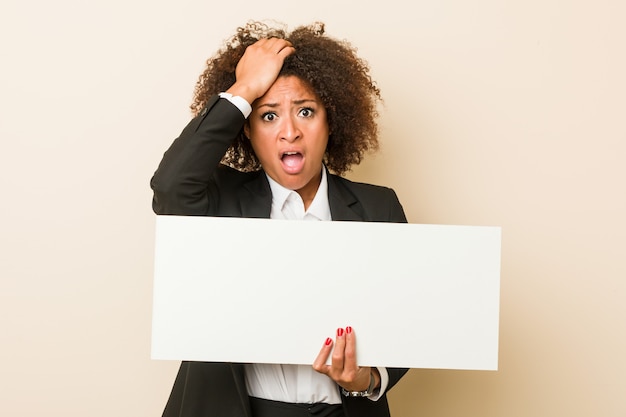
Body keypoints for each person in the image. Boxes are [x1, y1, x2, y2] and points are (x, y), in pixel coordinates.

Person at [150, 20, 409, 417]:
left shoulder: (379, 208)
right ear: (247, 131)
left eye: (306, 111)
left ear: (331, 121)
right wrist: (244, 90)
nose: (289, 131)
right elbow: (170, 187)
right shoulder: (221, 200)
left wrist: (368, 380)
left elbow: (409, 322)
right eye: (268, 116)